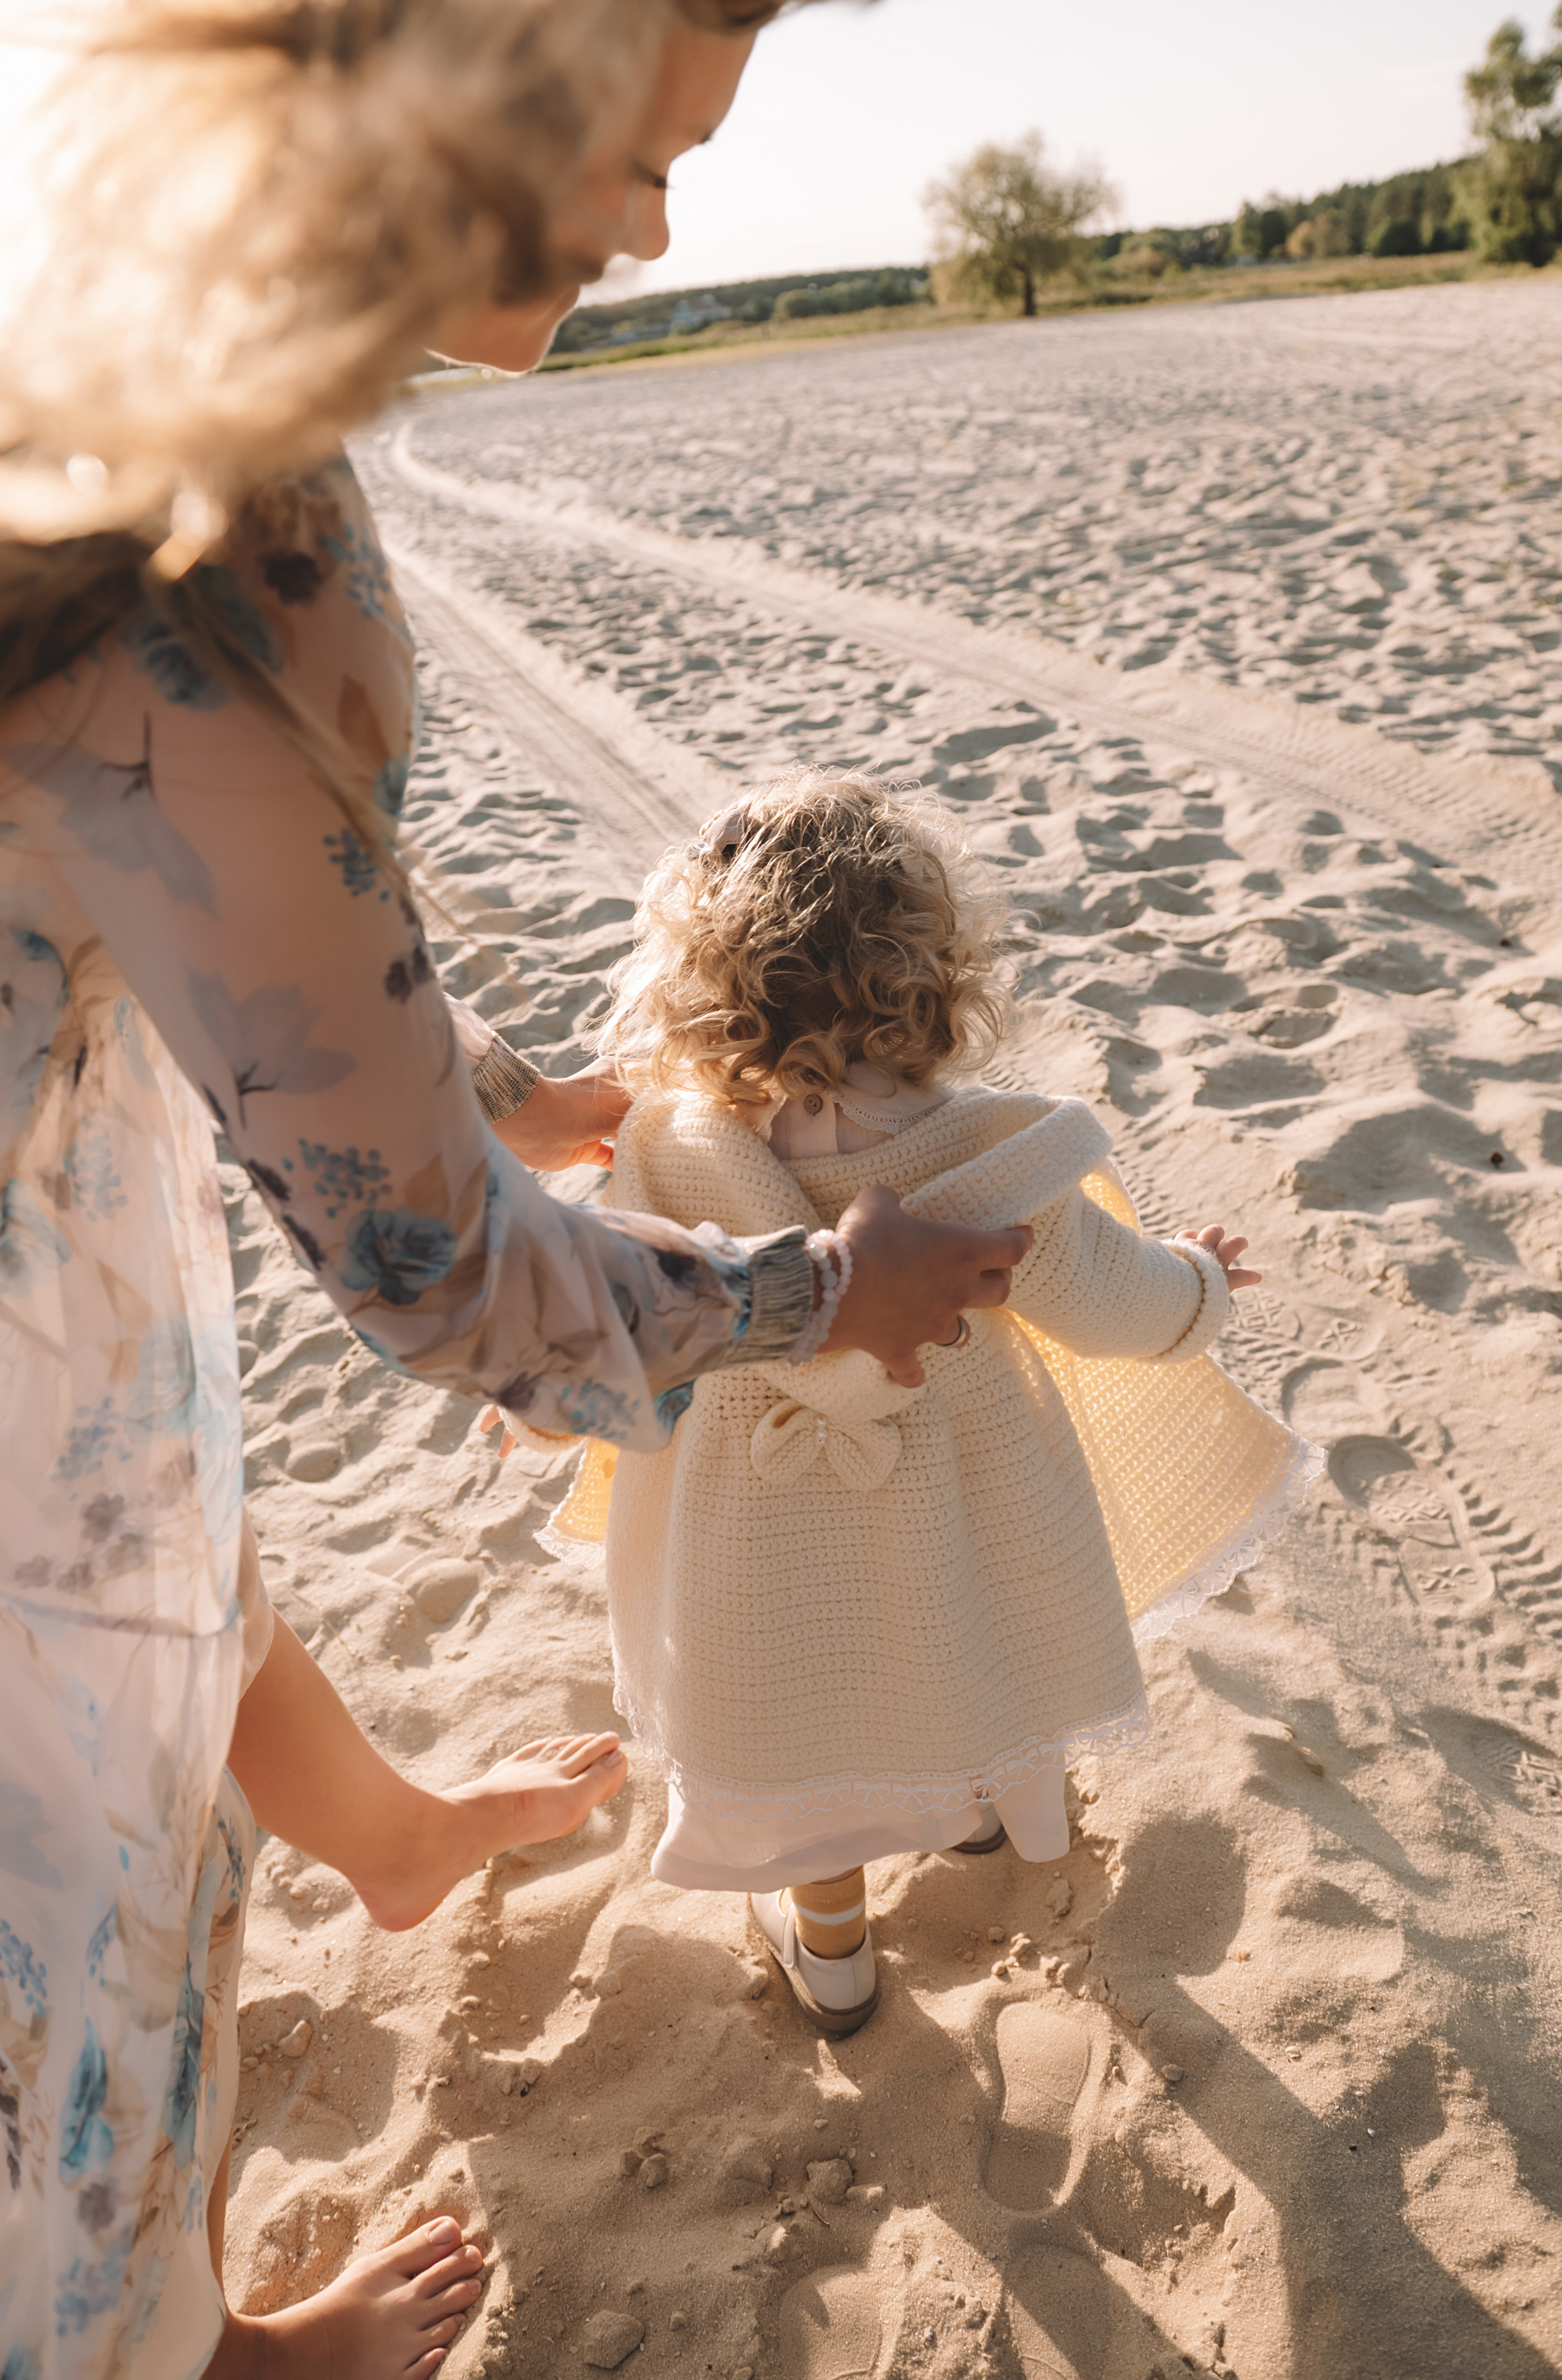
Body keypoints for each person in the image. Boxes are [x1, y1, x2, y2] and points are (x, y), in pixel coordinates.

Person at [0, 0, 1035, 2374]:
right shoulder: (195, 554)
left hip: (71, 1189)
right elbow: (447, 1280)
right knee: (85, 1953)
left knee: (181, 1583)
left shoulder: (102, 367)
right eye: (637, 163)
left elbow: (215, 925)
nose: (659, 232)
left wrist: (507, 1078)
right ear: (429, 87)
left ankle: (378, 1871)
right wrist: (824, 1288)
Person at [497, 772, 1322, 2034]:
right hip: (957, 1499)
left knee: (801, 1733)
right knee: (958, 1649)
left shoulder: (666, 1140)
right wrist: (1202, 1277)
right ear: (936, 971)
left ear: (705, 982)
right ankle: (980, 1806)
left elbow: (601, 1299)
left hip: (751, 1531)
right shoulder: (998, 1156)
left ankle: (831, 1950)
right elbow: (1126, 1309)